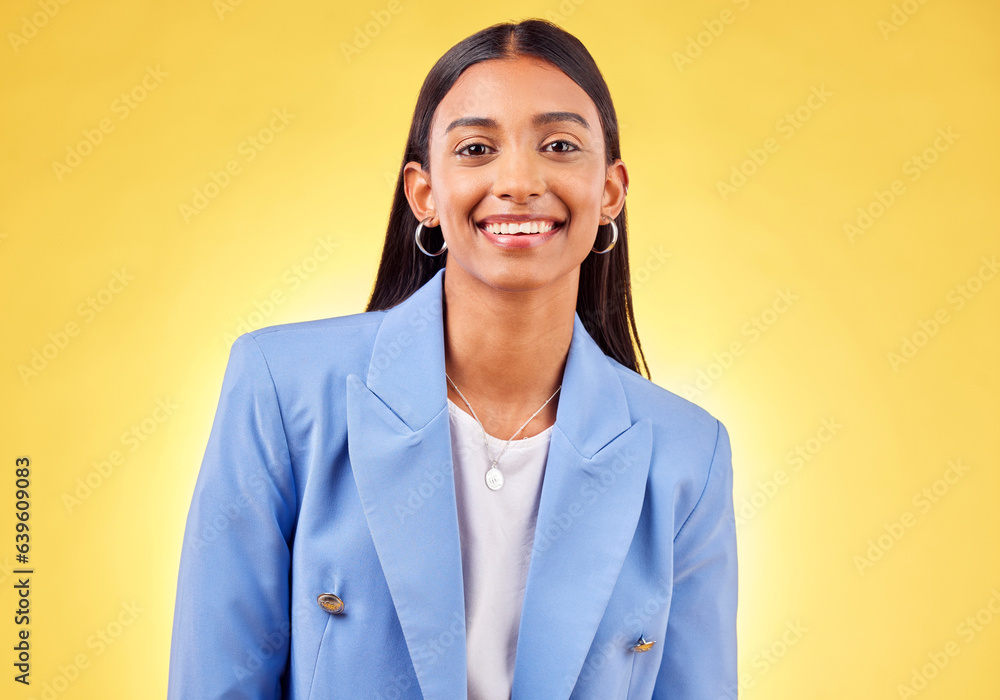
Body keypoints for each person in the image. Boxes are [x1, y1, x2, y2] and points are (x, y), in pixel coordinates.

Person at [167, 17, 737, 700]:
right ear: (424, 193)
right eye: (475, 148)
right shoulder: (282, 391)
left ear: (609, 191)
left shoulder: (687, 456)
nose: (519, 180)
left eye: (559, 145)